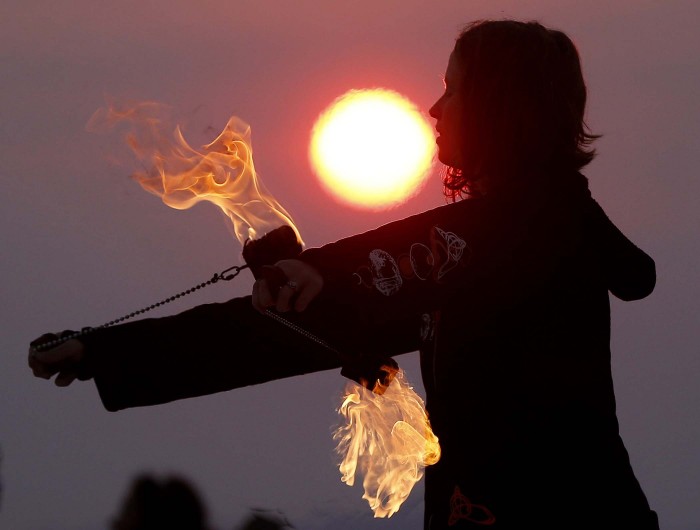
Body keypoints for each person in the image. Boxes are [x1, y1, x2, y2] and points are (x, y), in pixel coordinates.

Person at [29, 19, 659, 529]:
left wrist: (317, 274)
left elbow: (420, 259)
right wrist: (107, 351)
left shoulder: (535, 234)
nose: (436, 108)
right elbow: (274, 335)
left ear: (500, 106)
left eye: (455, 88)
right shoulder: (483, 251)